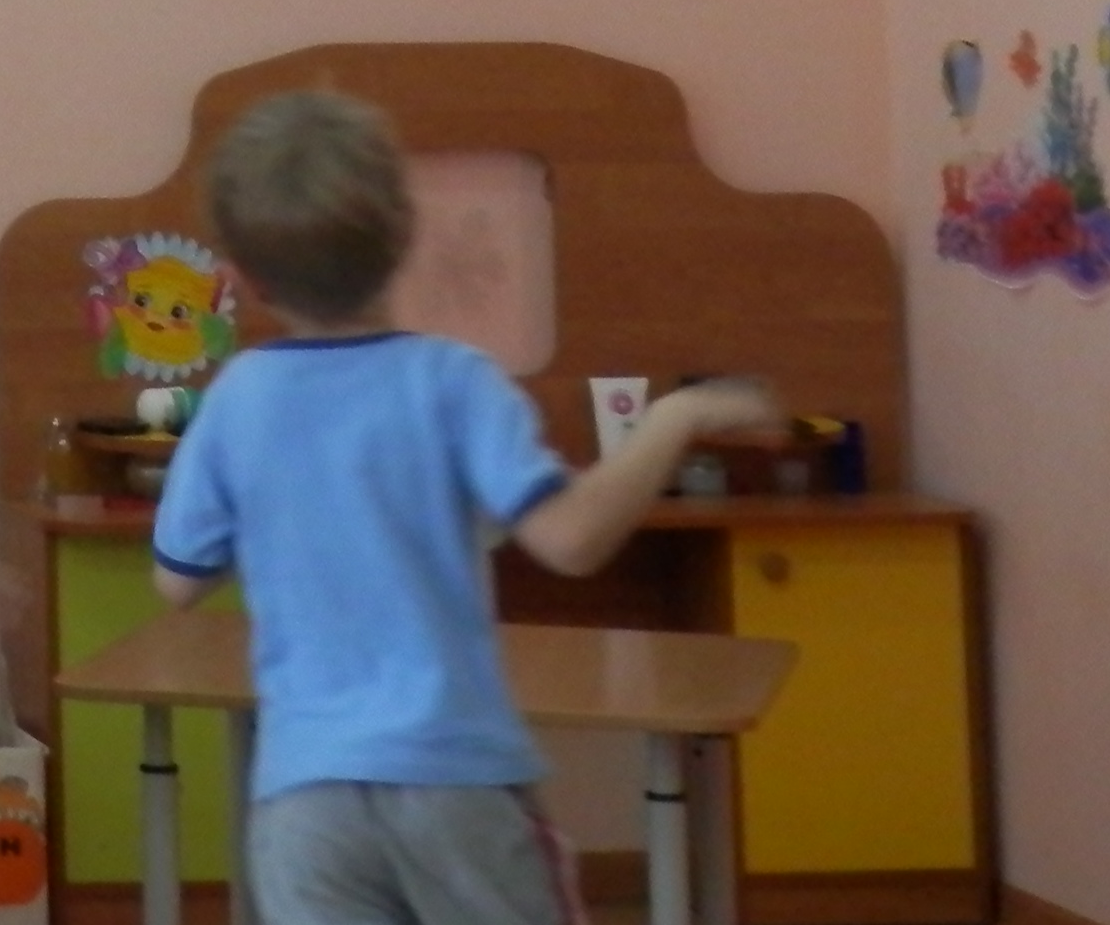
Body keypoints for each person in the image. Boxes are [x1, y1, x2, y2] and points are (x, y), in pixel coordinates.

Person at [150, 91, 780, 925]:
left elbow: (178, 581)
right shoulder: (454, 381)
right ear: (405, 234)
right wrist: (675, 418)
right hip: (454, 778)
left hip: (304, 800)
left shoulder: (237, 400)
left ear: (243, 277)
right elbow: (572, 539)